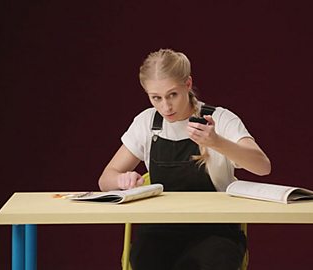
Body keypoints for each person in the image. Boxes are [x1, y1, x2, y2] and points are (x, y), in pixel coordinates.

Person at [98, 49, 271, 270]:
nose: (165, 107)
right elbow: (105, 180)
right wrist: (121, 180)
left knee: (213, 260)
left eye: (173, 95)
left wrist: (217, 142)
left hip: (214, 231)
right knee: (145, 257)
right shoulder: (146, 123)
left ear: (187, 84)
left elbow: (262, 166)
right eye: (156, 98)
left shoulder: (219, 118)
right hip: (160, 231)